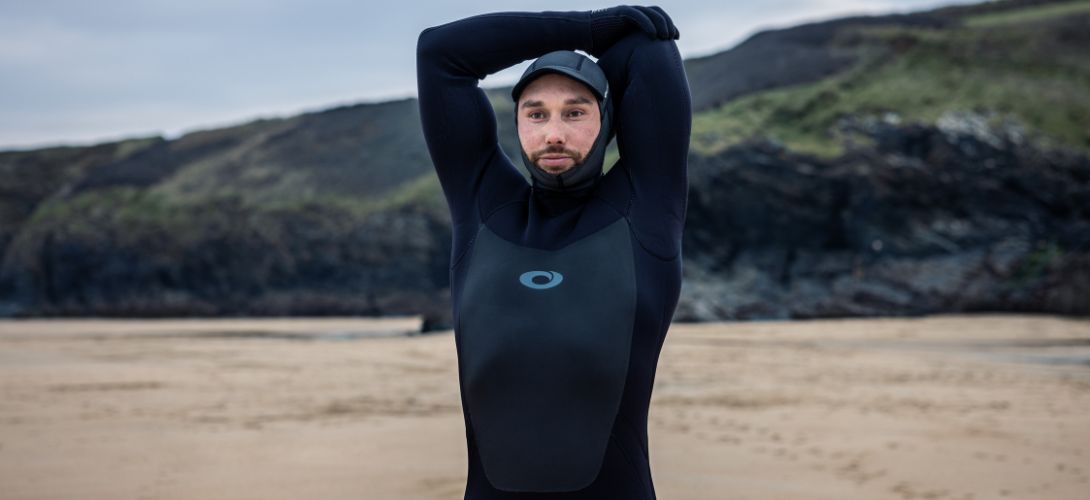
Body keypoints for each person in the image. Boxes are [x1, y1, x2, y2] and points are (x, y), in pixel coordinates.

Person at [416, 5, 690, 499]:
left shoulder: (644, 210)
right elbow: (440, 54)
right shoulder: (482, 211)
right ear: (516, 123)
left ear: (609, 120)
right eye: (536, 113)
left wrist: (603, 40)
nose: (554, 133)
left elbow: (649, 45)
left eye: (576, 112)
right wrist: (585, 29)